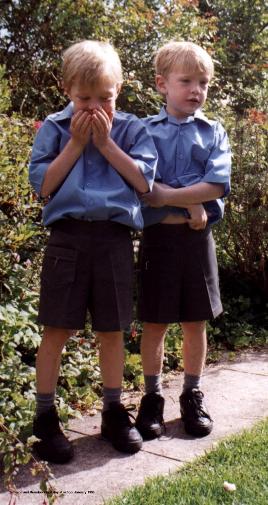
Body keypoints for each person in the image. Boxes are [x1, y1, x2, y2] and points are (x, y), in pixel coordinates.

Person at [29, 40, 157, 463]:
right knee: (56, 329)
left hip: (113, 239)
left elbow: (143, 183)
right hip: (67, 238)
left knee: (112, 330)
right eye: (84, 98)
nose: (95, 107)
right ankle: (44, 418)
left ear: (118, 88)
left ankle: (112, 409)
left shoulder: (131, 129)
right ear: (68, 89)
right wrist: (75, 145)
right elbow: (43, 186)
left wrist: (104, 145)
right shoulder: (54, 127)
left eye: (105, 97)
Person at [135, 41, 231, 440]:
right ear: (162, 84)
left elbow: (217, 183)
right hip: (158, 241)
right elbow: (140, 186)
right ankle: (152, 397)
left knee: (195, 321)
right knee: (155, 322)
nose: (196, 90)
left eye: (203, 83)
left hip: (197, 242)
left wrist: (171, 197)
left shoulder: (213, 131)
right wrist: (190, 204)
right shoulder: (143, 131)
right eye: (186, 81)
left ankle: (192, 395)